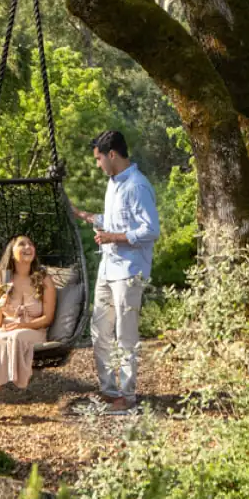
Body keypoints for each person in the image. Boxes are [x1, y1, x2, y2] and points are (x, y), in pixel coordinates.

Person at [72, 130, 160, 412]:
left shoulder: (137, 185)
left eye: (99, 159)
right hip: (107, 269)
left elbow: (150, 230)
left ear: (112, 154)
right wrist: (84, 215)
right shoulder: (113, 184)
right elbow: (113, 221)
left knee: (125, 335)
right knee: (99, 331)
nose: (97, 164)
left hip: (129, 272)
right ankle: (109, 391)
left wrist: (113, 237)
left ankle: (128, 396)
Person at [0, 235, 56, 425]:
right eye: (22, 244)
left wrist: (23, 325)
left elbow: (47, 318)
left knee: (14, 337)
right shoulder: (4, 281)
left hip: (33, 330)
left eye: (30, 244)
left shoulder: (43, 279)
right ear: (12, 253)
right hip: (6, 328)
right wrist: (0, 307)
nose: (28, 247)